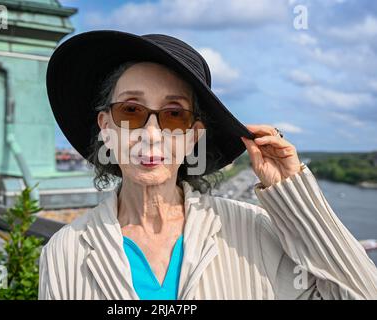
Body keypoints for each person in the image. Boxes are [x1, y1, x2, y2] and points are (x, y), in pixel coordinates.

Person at [39, 30, 377, 300]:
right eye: (131, 111)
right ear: (106, 127)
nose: (151, 134)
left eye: (174, 115)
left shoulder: (253, 233)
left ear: (193, 137)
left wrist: (293, 195)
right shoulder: (66, 251)